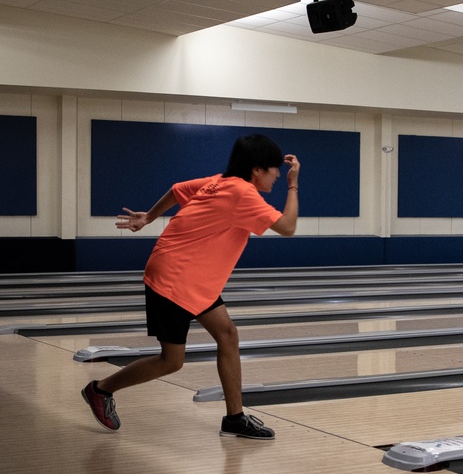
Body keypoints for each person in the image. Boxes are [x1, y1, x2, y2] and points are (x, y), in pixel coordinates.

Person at [82, 134, 300, 440]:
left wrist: (148, 217)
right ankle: (100, 389)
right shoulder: (242, 192)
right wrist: (294, 184)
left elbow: (176, 190)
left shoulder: (218, 181)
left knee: (227, 335)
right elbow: (288, 227)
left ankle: (235, 419)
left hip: (192, 277)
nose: (277, 174)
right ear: (256, 170)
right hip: (176, 277)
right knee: (171, 361)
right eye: (273, 169)